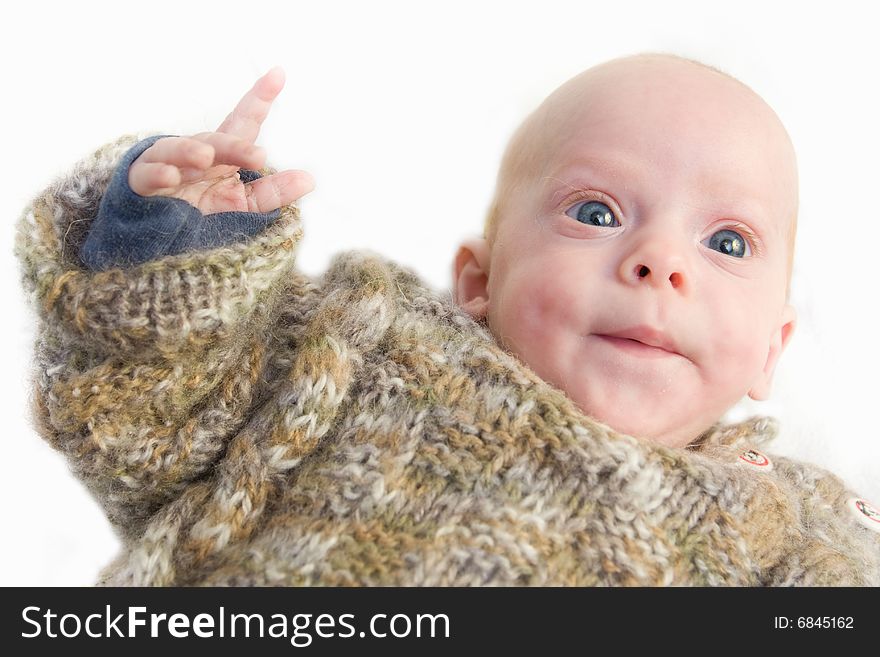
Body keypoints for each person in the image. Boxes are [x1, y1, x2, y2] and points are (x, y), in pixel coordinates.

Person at [13, 53, 880, 586]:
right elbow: (145, 421)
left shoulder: (799, 536)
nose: (662, 261)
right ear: (478, 281)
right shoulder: (363, 354)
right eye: (598, 213)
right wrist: (171, 246)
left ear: (774, 349)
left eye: (727, 239)